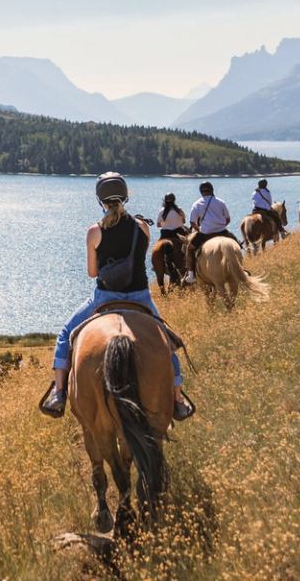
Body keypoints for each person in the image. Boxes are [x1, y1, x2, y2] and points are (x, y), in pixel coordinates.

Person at [39, 172, 195, 421]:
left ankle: (58, 393)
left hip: (104, 297)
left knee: (66, 334)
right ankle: (177, 398)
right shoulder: (142, 227)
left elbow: (92, 273)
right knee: (167, 342)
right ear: (125, 196)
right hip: (140, 296)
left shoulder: (94, 232)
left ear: (100, 200)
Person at [188, 181, 237, 273]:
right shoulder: (221, 202)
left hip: (206, 234)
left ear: (201, 191)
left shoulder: (196, 204)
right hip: (222, 232)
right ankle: (241, 269)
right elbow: (228, 219)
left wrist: (199, 229)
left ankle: (191, 274)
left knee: (189, 249)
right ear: (212, 190)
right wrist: (220, 226)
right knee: (237, 245)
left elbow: (192, 222)